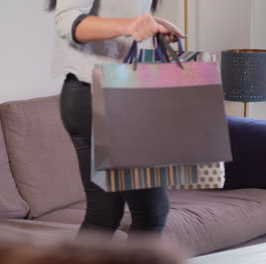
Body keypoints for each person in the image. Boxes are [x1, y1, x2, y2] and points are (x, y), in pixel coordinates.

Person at [48, 0, 186, 238]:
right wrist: (130, 25)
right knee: (151, 214)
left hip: (88, 94)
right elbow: (67, 20)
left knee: (103, 214)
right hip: (104, 97)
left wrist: (152, 24)